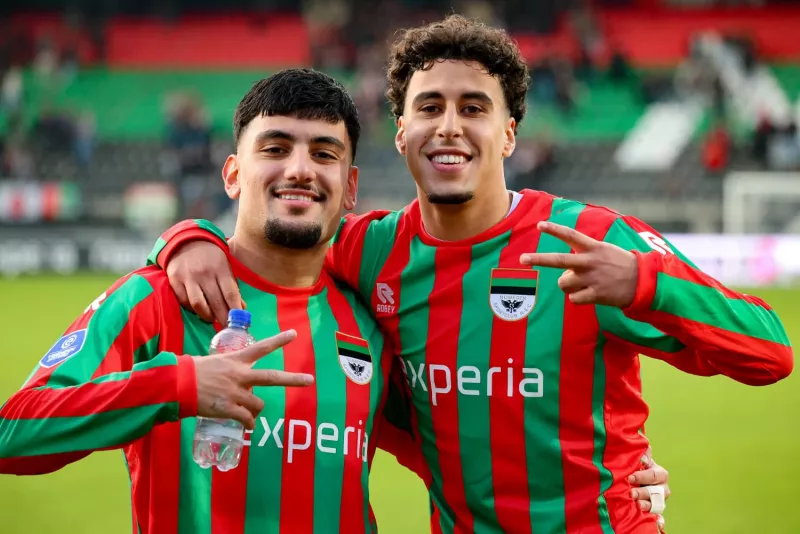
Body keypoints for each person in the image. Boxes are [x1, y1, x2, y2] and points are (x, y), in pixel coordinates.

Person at [148, 15, 795, 533]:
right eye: (429, 107)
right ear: (401, 132)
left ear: (508, 134)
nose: (449, 127)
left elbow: (770, 351)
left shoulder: (592, 240)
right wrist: (186, 238)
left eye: (473, 108)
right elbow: (267, 244)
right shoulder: (368, 251)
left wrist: (647, 284)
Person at [0, 69, 398, 533]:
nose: (299, 170)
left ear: (350, 187)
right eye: (275, 149)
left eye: (324, 154)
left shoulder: (374, 319)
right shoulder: (156, 298)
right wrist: (177, 386)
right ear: (233, 175)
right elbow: (13, 435)